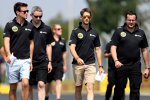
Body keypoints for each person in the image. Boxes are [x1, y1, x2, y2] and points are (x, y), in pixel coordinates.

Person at [111, 10, 150, 100]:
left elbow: (144, 50)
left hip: (135, 65)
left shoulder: (141, 33)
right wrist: (116, 60)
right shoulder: (118, 31)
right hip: (121, 65)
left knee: (135, 90)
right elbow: (113, 47)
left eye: (133, 20)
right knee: (119, 90)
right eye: (129, 20)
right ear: (125, 20)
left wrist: (147, 68)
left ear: (136, 20)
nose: (131, 22)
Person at [69, 8, 104, 100]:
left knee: (90, 87)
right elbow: (72, 48)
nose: (86, 18)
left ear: (90, 18)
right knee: (78, 88)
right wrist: (77, 58)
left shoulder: (94, 32)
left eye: (88, 16)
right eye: (84, 16)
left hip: (91, 64)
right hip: (77, 64)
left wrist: (100, 66)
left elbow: (98, 49)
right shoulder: (75, 31)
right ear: (81, 17)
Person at [3, 2, 34, 100]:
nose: (27, 13)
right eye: (24, 11)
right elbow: (6, 41)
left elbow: (31, 43)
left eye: (27, 11)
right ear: (17, 12)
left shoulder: (30, 26)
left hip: (25, 60)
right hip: (13, 60)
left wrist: (31, 60)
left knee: (25, 84)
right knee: (13, 88)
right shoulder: (9, 25)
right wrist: (8, 55)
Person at [28, 6, 53, 100]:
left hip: (42, 61)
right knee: (29, 86)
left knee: (41, 84)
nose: (38, 18)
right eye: (36, 16)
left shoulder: (47, 28)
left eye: (40, 16)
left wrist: (49, 61)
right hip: (28, 60)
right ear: (31, 15)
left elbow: (49, 45)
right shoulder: (26, 28)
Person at [45, 24, 67, 100]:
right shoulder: (49, 40)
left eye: (61, 29)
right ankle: (46, 96)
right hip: (50, 65)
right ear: (54, 30)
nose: (60, 30)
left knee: (59, 81)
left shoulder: (63, 40)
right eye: (58, 29)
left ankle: (58, 98)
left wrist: (65, 64)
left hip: (59, 65)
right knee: (48, 82)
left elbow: (64, 53)